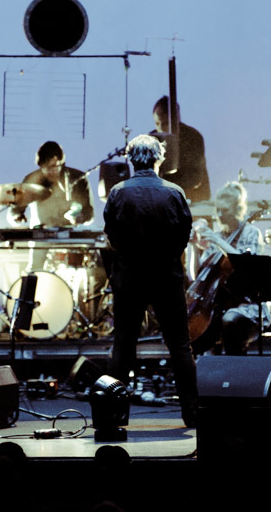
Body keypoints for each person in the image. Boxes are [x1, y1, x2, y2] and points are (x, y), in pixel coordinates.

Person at [103, 134, 198, 427]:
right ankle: (191, 414)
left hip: (129, 277)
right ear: (159, 159)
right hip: (166, 276)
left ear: (131, 159)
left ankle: (114, 416)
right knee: (180, 346)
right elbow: (184, 234)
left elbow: (112, 234)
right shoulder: (174, 192)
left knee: (123, 346)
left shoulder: (118, 192)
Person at [190, 181, 269, 355]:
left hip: (247, 305)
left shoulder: (251, 233)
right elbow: (197, 276)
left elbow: (246, 267)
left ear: (237, 209)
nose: (219, 215)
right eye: (217, 209)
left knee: (230, 319)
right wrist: (193, 247)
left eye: (224, 210)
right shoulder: (217, 235)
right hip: (218, 304)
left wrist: (218, 242)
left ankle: (234, 365)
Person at [9, 140, 94, 228]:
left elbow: (89, 213)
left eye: (55, 167)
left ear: (61, 163)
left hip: (71, 233)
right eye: (47, 167)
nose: (51, 171)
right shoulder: (31, 180)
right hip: (40, 233)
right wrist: (16, 217)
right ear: (40, 165)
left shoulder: (78, 178)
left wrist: (81, 217)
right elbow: (15, 210)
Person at [151, 96, 210, 202]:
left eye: (165, 123)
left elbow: (195, 177)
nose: (161, 129)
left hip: (194, 197)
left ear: (176, 119)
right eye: (157, 124)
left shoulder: (193, 137)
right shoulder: (151, 140)